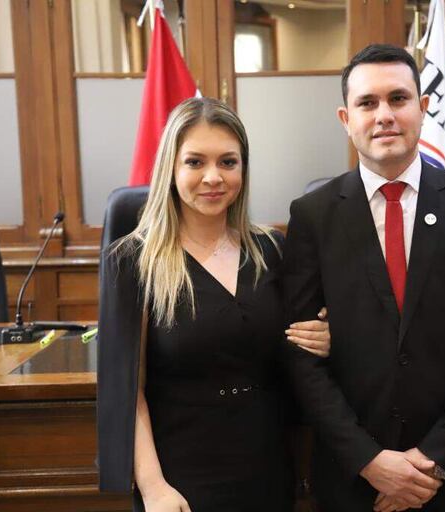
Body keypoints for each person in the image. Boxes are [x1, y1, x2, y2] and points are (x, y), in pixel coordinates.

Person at [282, 44, 445, 512]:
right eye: (367, 103)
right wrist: (369, 460)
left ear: (424, 107)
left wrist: (434, 459)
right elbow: (300, 354)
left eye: (398, 98)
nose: (384, 115)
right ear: (344, 117)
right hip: (354, 483)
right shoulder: (312, 216)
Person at [96, 97, 331, 512]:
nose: (213, 177)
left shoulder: (271, 249)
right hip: (180, 479)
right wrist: (153, 489)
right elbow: (126, 389)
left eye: (227, 162)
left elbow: (296, 348)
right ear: (170, 168)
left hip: (267, 467)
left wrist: (326, 337)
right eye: (194, 162)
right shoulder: (132, 261)